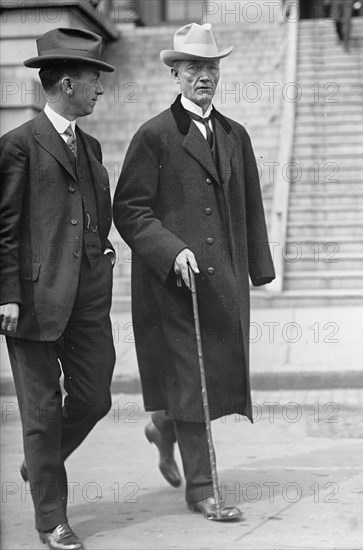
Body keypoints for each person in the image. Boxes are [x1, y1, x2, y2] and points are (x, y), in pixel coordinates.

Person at [113, 23, 275, 521]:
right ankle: (202, 490)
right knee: (192, 380)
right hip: (172, 284)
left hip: (220, 282)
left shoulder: (235, 134)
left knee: (209, 381)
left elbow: (251, 207)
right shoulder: (154, 136)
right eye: (194, 68)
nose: (204, 76)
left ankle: (163, 427)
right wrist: (170, 249)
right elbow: (130, 210)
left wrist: (259, 271)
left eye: (211, 67)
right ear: (175, 74)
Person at [0, 28, 116, 550]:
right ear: (67, 84)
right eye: (95, 80)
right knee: (42, 415)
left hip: (87, 302)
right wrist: (6, 292)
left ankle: (38, 465)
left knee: (94, 399)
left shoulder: (89, 145)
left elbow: (93, 213)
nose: (100, 90)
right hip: (31, 303)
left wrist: (103, 252)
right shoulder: (17, 146)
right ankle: (52, 519)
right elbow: (3, 228)